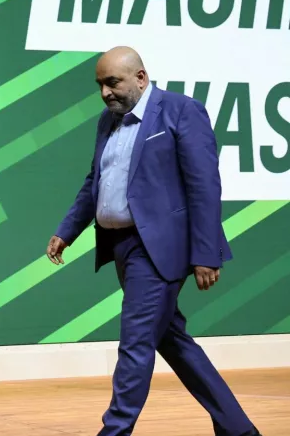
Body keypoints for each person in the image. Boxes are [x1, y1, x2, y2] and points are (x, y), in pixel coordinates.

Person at [47, 46, 261, 436]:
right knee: (171, 341)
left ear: (140, 78)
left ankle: (114, 431)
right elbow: (96, 182)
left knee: (135, 343)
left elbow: (204, 186)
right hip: (123, 248)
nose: (105, 93)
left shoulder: (181, 111)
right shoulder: (106, 122)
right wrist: (66, 231)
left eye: (112, 82)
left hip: (160, 250)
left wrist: (206, 252)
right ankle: (239, 430)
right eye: (100, 85)